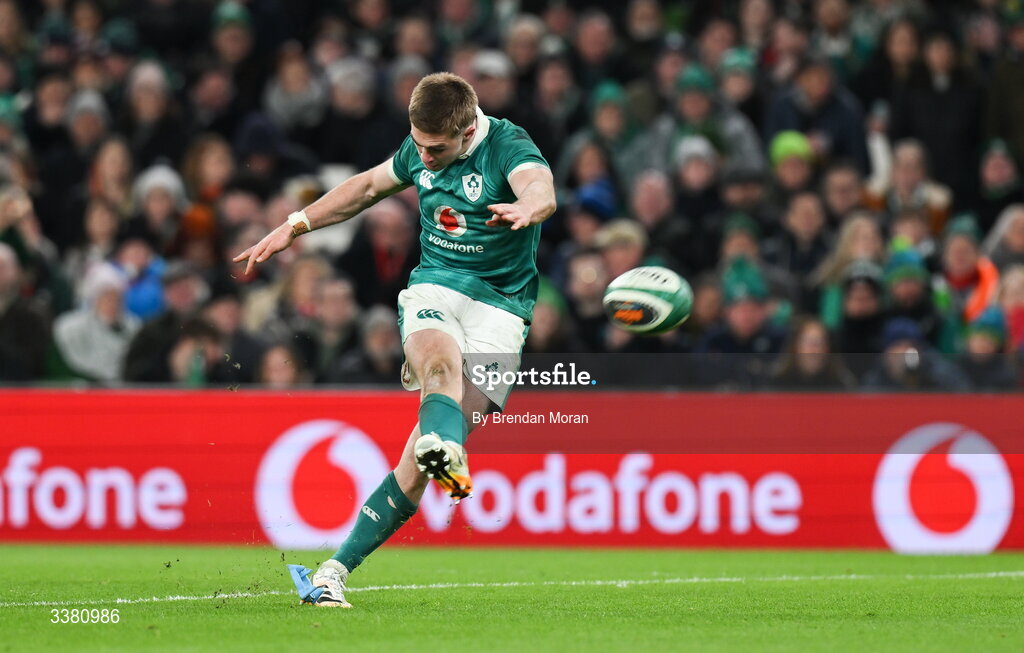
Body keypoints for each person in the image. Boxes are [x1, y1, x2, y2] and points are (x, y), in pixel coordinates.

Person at [234, 72, 555, 607]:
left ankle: (334, 568)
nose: (425, 157)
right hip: (439, 285)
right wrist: (295, 224)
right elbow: (365, 187)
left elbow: (538, 186)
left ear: (468, 127)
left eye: (437, 148)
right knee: (439, 367)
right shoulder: (419, 147)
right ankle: (443, 447)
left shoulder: (508, 144)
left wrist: (530, 209)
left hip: (504, 308)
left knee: (419, 461)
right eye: (419, 143)